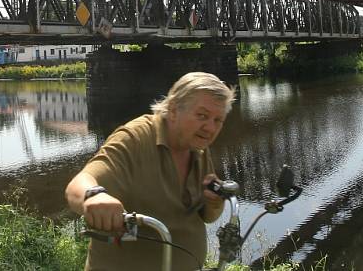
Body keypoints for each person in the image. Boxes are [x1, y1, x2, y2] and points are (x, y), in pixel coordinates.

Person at [65, 72, 236, 271]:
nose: (210, 128)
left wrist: (214, 203)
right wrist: (94, 197)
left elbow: (207, 217)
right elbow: (78, 184)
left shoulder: (197, 145)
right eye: (202, 116)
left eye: (218, 120)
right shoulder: (134, 138)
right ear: (173, 110)